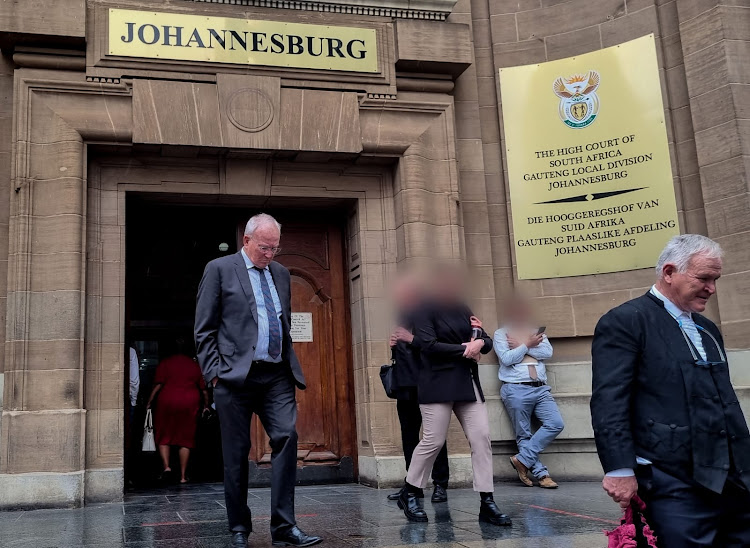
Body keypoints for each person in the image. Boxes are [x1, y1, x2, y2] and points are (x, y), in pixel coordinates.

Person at [591, 234, 750, 547]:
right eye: (704, 278)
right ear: (668, 272)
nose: (712, 289)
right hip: (672, 480)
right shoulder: (626, 321)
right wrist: (619, 469)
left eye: (715, 279)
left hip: (734, 479)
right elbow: (610, 401)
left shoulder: (707, 329)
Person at [195, 213, 322, 548]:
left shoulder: (280, 273)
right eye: (265, 247)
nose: (270, 254)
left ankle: (284, 526)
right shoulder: (219, 269)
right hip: (234, 378)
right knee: (236, 453)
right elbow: (204, 328)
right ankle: (239, 527)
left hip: (276, 374)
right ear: (247, 240)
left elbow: (280, 318)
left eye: (275, 248)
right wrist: (215, 375)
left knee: (286, 437)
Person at [398, 266, 511, 527]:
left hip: (466, 382)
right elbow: (427, 345)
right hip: (437, 382)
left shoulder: (462, 306)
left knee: (481, 438)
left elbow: (484, 338)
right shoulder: (423, 308)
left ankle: (487, 501)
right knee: (433, 441)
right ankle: (411, 491)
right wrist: (466, 348)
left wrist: (480, 342)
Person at [387, 273, 450, 504]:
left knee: (435, 436)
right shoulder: (402, 313)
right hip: (405, 383)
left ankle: (441, 484)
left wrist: (409, 337)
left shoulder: (431, 313)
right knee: (409, 437)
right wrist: (394, 344)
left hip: (428, 382)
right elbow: (403, 349)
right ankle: (412, 486)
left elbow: (436, 346)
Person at [493, 297, 563, 489]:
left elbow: (547, 353)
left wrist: (523, 344)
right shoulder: (501, 334)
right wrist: (528, 346)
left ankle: (521, 460)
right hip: (515, 387)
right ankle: (541, 475)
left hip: (540, 388)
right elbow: (507, 359)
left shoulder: (536, 332)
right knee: (523, 434)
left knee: (556, 423)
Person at [146, 337, 208, 484]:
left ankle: (167, 467)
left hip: (167, 401)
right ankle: (182, 476)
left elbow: (158, 385)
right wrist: (206, 405)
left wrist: (149, 403)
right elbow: (204, 390)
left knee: (164, 435)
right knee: (185, 439)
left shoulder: (165, 363)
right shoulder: (194, 366)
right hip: (189, 402)